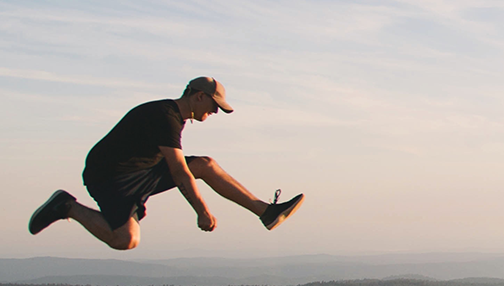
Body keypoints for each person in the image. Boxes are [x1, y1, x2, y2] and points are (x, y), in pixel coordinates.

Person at [27, 77, 302, 250]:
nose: (216, 111)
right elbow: (180, 172)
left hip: (141, 171)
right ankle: (67, 206)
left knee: (205, 164)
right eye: (214, 105)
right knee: (126, 240)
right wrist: (202, 211)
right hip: (111, 177)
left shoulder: (174, 118)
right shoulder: (165, 116)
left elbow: (183, 168)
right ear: (198, 96)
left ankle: (265, 212)